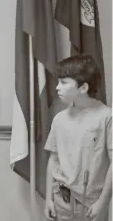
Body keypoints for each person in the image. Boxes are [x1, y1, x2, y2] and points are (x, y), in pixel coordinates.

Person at [44, 54, 111, 221]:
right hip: (61, 201)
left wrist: (102, 202)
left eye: (64, 82)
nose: (57, 87)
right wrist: (48, 199)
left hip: (90, 204)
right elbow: (53, 159)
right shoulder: (59, 119)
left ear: (83, 88)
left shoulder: (106, 117)